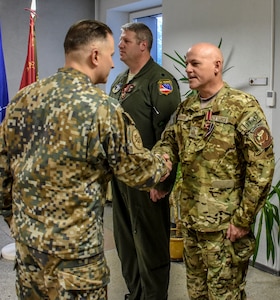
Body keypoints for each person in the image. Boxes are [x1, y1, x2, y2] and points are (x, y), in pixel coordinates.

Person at [0, 20, 172, 300]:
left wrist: (15, 221)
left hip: (31, 257)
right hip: (77, 265)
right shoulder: (102, 108)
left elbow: (2, 171)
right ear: (95, 56)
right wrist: (163, 161)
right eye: (109, 55)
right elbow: (139, 171)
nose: (113, 63)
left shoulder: (23, 99)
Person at [151, 42, 275, 299]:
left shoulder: (241, 106)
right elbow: (169, 142)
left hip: (225, 226)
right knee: (197, 292)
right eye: (187, 63)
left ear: (217, 66)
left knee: (225, 294)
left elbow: (261, 167)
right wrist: (162, 161)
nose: (188, 69)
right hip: (192, 221)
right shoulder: (188, 109)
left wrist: (243, 219)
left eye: (195, 64)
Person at [109, 22, 181, 300]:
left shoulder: (161, 82)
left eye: (125, 40)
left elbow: (171, 137)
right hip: (121, 176)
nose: (120, 45)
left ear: (143, 44)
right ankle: (135, 293)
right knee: (125, 242)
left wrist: (164, 184)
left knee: (150, 244)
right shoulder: (120, 80)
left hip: (149, 179)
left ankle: (152, 296)